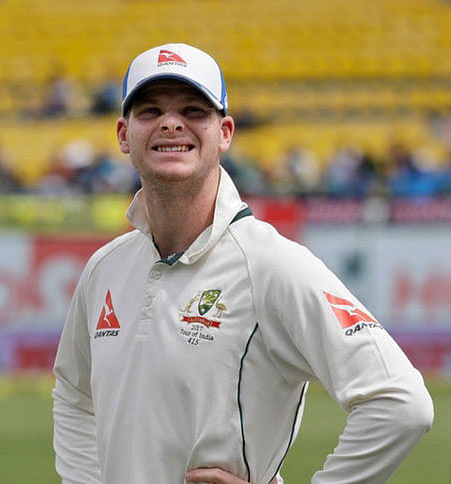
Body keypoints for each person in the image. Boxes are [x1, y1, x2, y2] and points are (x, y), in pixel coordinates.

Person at [52, 43, 433, 484]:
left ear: (226, 132)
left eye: (194, 110)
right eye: (150, 110)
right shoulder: (105, 267)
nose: (171, 122)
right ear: (123, 134)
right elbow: (75, 396)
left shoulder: (271, 264)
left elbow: (401, 403)